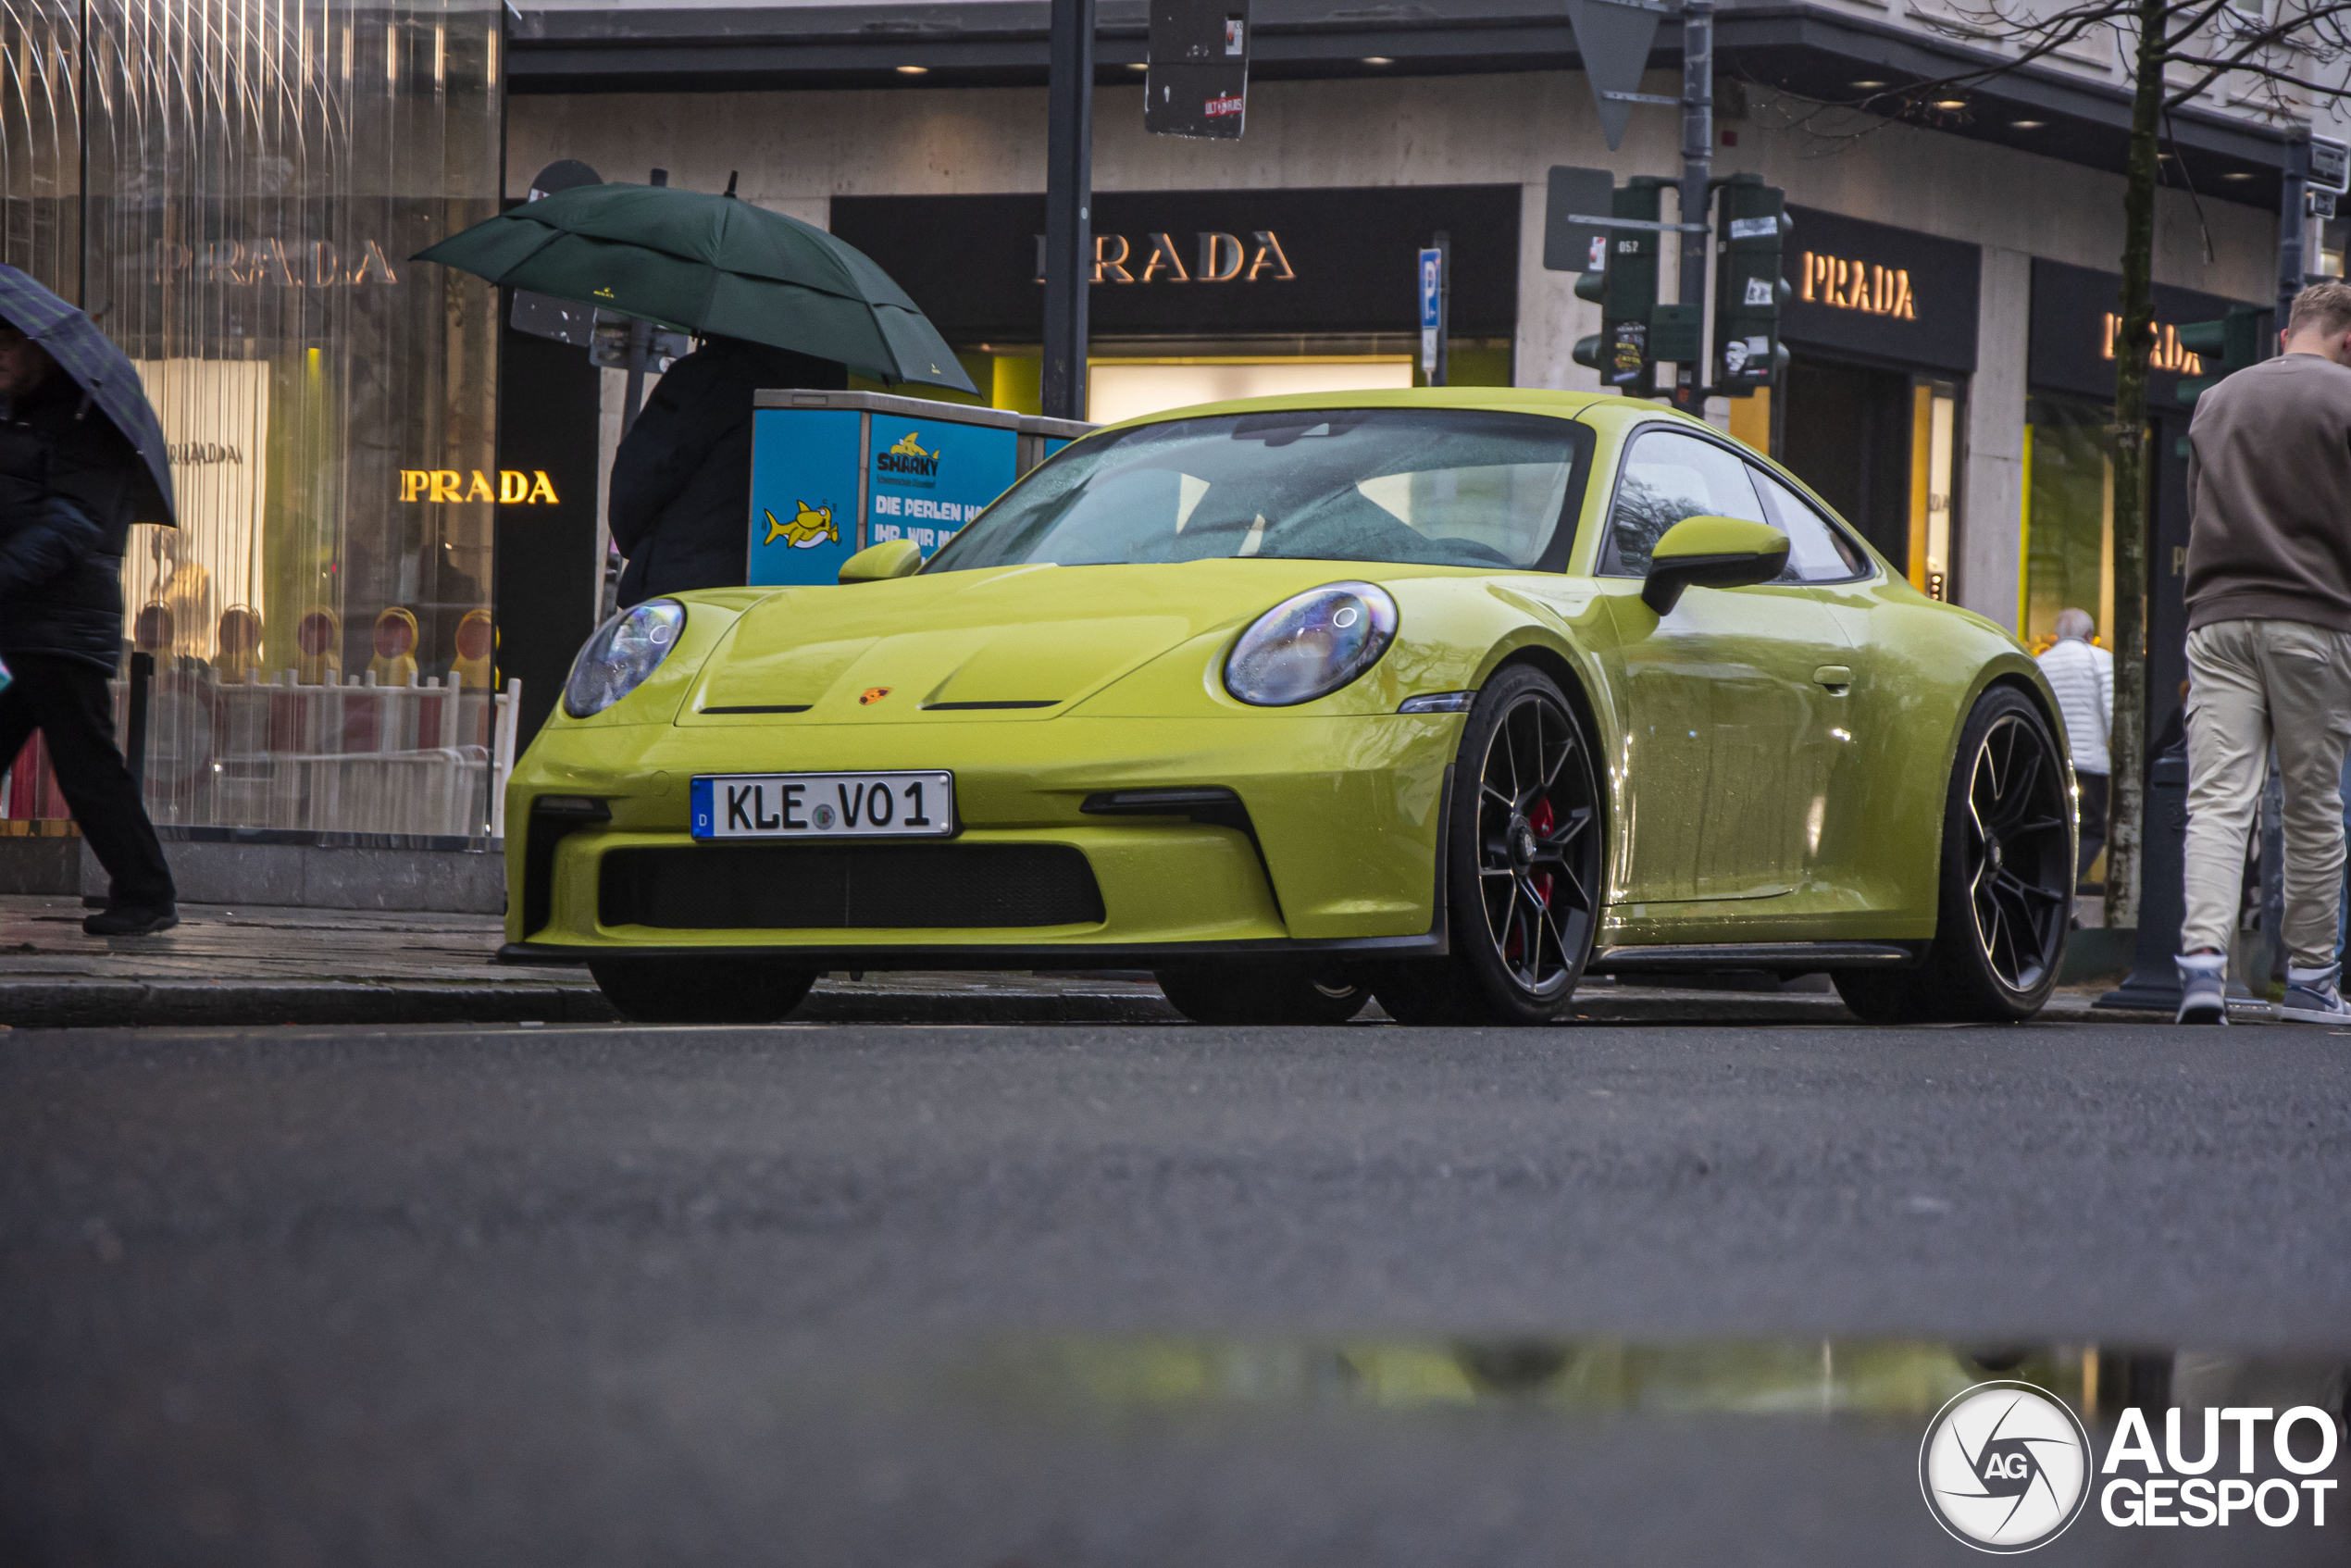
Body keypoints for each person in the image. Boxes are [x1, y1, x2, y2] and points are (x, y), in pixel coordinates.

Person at [2172, 279, 2351, 1024]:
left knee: (2218, 799)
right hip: (2315, 619)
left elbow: (2197, 503)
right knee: (2312, 804)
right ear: (2348, 342)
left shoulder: (2219, 398)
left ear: (2288, 334)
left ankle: (2204, 968)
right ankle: (2310, 979)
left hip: (2218, 618)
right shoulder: (2344, 399)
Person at [0, 318, 177, 934]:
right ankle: (145, 889)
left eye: (6, 343)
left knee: (87, 764)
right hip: (24, 620)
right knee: (86, 760)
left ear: (40, 350)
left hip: (63, 621)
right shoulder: (18, 416)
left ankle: (148, 894)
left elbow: (75, 523)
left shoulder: (85, 420)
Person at [607, 335, 843, 607]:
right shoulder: (833, 384)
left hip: (688, 588)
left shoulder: (706, 375)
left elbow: (638, 480)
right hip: (791, 596)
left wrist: (641, 548)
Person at [2036, 607, 2113, 883]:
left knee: (2054, 831)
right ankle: (2064, 886)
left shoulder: (2042, 663)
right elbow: (2112, 711)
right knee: (2091, 832)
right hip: (2090, 766)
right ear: (2089, 634)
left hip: (2051, 764)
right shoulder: (2101, 660)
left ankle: (2055, 895)